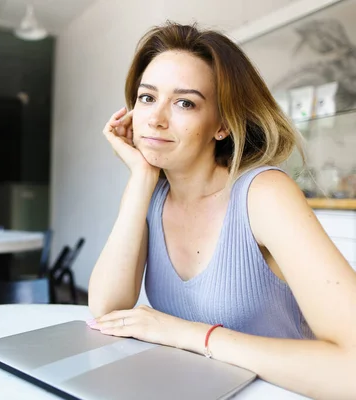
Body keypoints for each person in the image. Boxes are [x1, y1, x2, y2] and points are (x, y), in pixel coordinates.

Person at [87, 22, 356, 399]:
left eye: (185, 103)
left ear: (223, 125)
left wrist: (191, 335)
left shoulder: (264, 195)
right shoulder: (152, 194)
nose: (156, 118)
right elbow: (107, 309)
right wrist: (141, 176)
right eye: (147, 97)